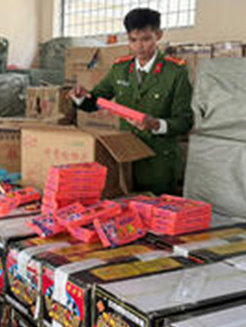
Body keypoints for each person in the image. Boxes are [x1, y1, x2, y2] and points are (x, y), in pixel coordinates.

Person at [70, 8, 194, 195]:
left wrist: (156, 124)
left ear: (158, 35)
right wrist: (80, 98)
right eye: (133, 40)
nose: (139, 47)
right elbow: (95, 101)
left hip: (158, 162)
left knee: (155, 210)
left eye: (146, 39)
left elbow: (185, 121)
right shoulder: (120, 69)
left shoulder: (175, 72)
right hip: (126, 158)